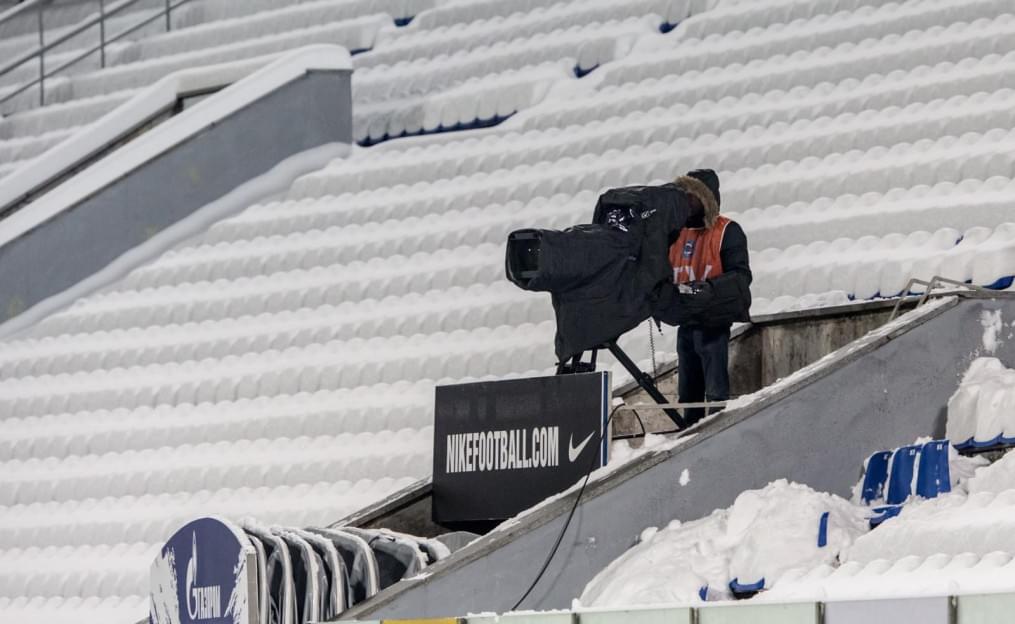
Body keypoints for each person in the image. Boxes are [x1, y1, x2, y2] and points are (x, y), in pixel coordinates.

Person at [658, 169, 752, 427]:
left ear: (707, 199)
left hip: (713, 320)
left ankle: (717, 430)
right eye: (683, 197)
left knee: (715, 390)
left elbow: (741, 277)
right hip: (686, 320)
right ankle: (690, 431)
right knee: (688, 392)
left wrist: (708, 289)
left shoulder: (727, 231)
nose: (686, 203)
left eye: (692, 198)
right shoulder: (674, 235)